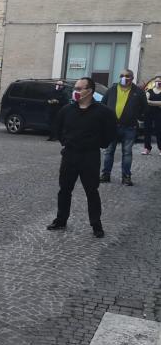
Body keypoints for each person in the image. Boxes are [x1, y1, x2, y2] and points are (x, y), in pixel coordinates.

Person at [47, 77, 116, 238]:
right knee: (64, 190)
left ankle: (96, 225)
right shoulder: (67, 110)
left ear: (89, 91)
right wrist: (65, 141)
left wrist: (101, 144)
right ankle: (61, 219)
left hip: (90, 156)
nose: (75, 91)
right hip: (70, 154)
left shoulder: (103, 112)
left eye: (79, 88)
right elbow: (57, 127)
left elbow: (111, 132)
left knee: (92, 191)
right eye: (75, 88)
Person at [99, 69, 147, 186]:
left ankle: (126, 177)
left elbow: (144, 108)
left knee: (127, 152)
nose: (124, 78)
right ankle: (106, 174)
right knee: (109, 151)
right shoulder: (112, 90)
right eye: (121, 75)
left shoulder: (138, 92)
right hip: (112, 126)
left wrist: (137, 117)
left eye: (126, 76)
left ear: (132, 78)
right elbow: (103, 104)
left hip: (129, 127)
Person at [141, 75, 161, 155]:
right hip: (148, 113)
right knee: (147, 131)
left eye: (160, 81)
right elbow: (146, 101)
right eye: (157, 81)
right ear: (154, 82)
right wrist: (157, 103)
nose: (158, 82)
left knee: (159, 131)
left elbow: (150, 102)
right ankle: (147, 148)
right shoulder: (149, 91)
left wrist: (151, 102)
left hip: (159, 114)